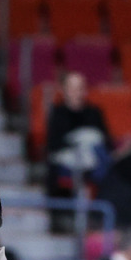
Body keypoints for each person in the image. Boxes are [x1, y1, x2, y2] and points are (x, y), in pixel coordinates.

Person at [44, 71, 110, 224]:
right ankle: (60, 217)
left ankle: (98, 216)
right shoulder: (58, 113)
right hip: (67, 160)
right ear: (65, 90)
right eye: (72, 88)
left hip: (93, 161)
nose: (76, 92)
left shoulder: (94, 112)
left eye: (80, 88)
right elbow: (54, 145)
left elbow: (106, 141)